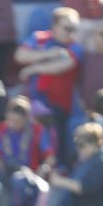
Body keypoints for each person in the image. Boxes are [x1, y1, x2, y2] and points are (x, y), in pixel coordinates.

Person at [15, 8, 82, 165]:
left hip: (58, 107)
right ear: (55, 25)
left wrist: (33, 68)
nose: (71, 33)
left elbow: (62, 66)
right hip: (32, 103)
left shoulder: (76, 47)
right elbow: (20, 55)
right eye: (67, 28)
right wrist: (47, 54)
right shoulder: (39, 38)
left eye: (74, 29)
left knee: (55, 146)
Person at [0, 97, 57, 181]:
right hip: (7, 171)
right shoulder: (1, 128)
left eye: (16, 121)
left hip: (31, 174)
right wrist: (5, 169)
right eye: (10, 119)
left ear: (26, 118)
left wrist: (42, 170)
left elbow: (50, 158)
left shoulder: (37, 130)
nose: (11, 124)